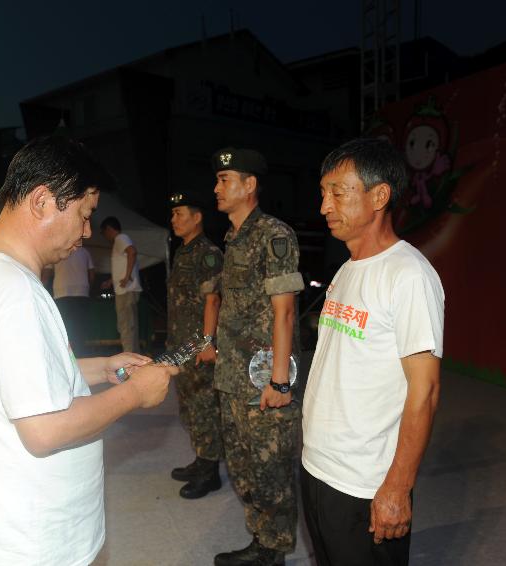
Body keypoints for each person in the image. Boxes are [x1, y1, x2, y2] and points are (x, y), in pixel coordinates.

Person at [0, 136, 177, 566]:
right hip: (28, 543)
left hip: (5, 532)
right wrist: (136, 394)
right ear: (43, 201)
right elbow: (44, 430)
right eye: (84, 215)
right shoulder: (13, 292)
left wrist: (102, 368)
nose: (86, 232)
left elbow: (13, 378)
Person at [301, 137, 445, 566]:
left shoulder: (409, 276)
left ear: (379, 195)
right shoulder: (346, 270)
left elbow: (426, 392)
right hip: (317, 466)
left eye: (338, 193)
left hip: (365, 482)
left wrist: (398, 488)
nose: (325, 206)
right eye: (323, 193)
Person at [209, 147, 305, 566]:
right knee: (244, 467)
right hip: (233, 376)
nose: (216, 187)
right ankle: (261, 540)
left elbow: (284, 312)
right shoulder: (233, 238)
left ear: (249, 185)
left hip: (265, 379)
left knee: (271, 472)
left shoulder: (273, 235)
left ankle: (274, 549)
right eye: (217, 180)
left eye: (225, 179)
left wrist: (280, 382)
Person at [166, 190, 224, 499]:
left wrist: (206, 342)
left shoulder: (208, 253)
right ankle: (201, 460)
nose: (174, 219)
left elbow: (212, 300)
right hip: (181, 345)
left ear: (197, 217)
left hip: (197, 345)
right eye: (173, 214)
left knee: (203, 407)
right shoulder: (183, 251)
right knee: (188, 405)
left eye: (180, 214)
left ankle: (210, 472)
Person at [100, 216, 142, 353]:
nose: (105, 236)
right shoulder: (121, 240)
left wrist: (127, 276)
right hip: (125, 289)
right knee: (128, 326)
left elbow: (132, 252)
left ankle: (129, 359)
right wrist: (112, 281)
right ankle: (133, 357)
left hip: (126, 291)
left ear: (109, 229)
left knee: (126, 327)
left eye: (104, 232)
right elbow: (123, 264)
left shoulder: (120, 238)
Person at [43, 245, 95, 355]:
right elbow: (91, 273)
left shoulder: (55, 250)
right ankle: (81, 355)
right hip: (82, 292)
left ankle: (67, 357)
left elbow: (47, 274)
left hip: (62, 292)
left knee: (64, 328)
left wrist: (40, 288)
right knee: (80, 327)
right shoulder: (84, 251)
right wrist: (88, 286)